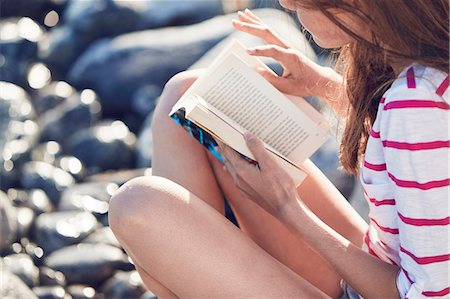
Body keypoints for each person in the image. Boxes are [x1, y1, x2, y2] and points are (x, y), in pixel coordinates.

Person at [109, 0, 449, 298]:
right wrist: (322, 85)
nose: (287, 4)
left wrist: (287, 206)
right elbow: (413, 147)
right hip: (379, 265)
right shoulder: (423, 76)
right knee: (191, 94)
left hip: (388, 287)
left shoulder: (418, 103)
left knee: (138, 207)